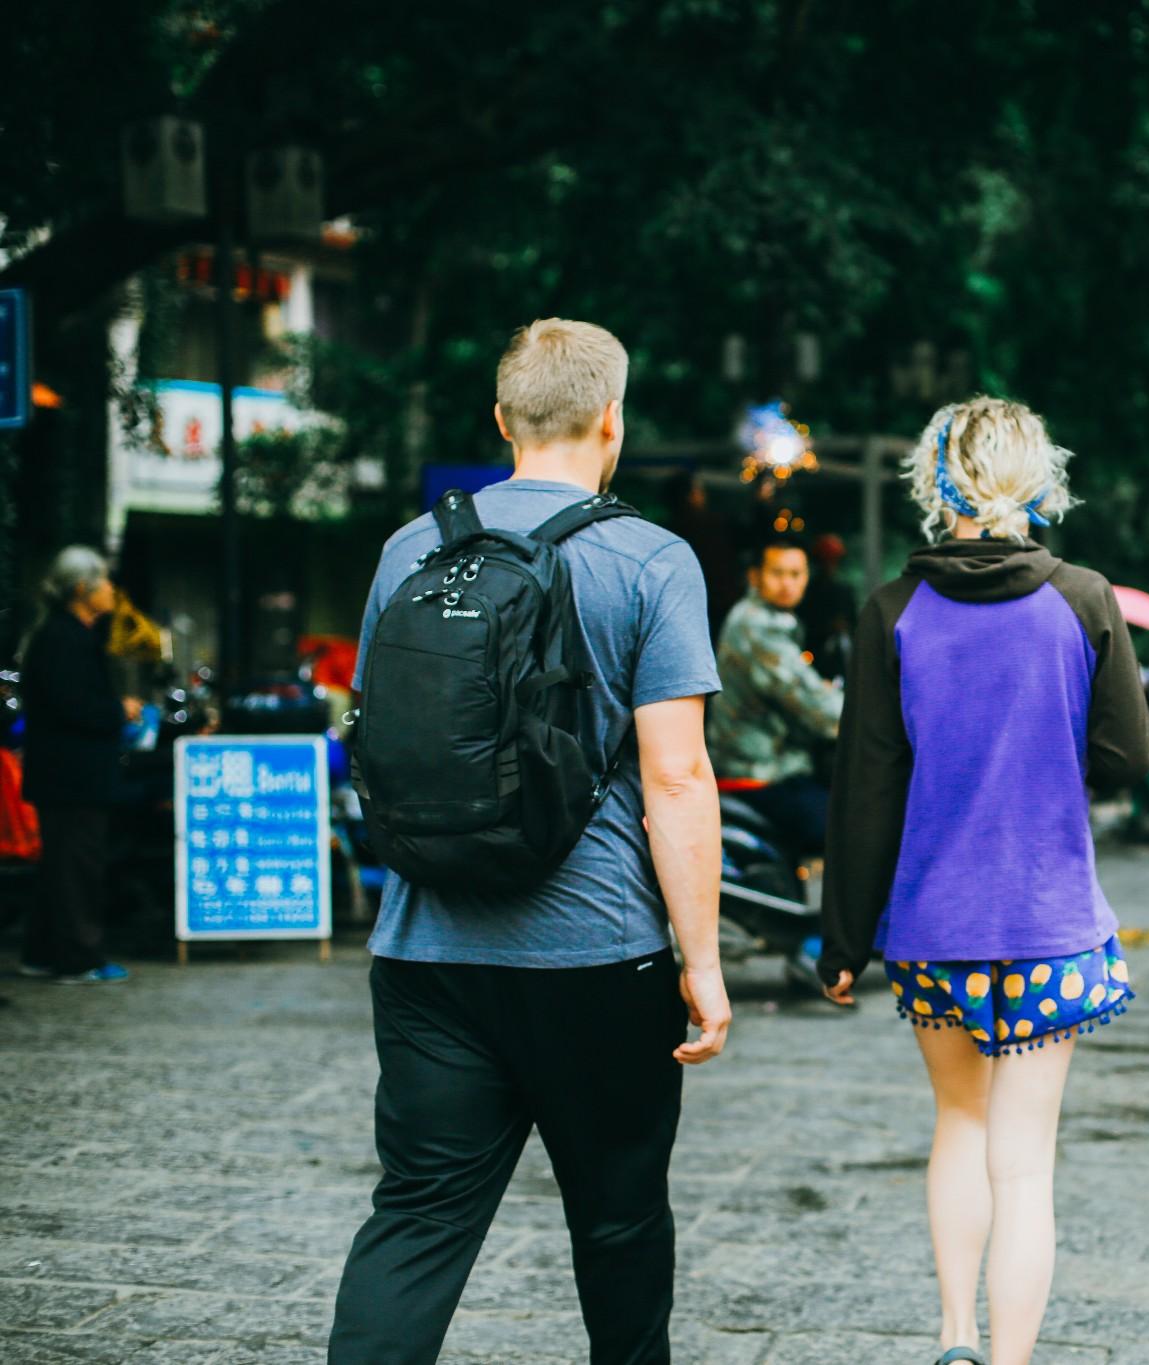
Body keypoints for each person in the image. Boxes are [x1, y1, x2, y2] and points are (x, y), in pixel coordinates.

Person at [329, 320, 728, 1365]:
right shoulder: (649, 558)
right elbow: (676, 776)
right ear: (613, 419)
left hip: (425, 952)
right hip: (597, 954)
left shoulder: (410, 549)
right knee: (619, 1220)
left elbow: (379, 733)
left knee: (414, 1221)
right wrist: (703, 961)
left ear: (501, 421)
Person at [818, 396, 1149, 1365]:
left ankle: (955, 1336)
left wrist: (841, 941)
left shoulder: (891, 612)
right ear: (1035, 478)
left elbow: (864, 791)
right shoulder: (1084, 599)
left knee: (957, 1126)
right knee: (1025, 1162)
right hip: (1051, 925)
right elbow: (1128, 756)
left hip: (934, 928)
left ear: (937, 480)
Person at [17, 546, 138, 984]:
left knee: (60, 867)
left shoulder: (65, 634)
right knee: (77, 868)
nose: (111, 590)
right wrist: (118, 709)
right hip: (71, 774)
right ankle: (77, 957)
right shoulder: (62, 638)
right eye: (104, 581)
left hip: (67, 772)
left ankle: (42, 952)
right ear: (82, 589)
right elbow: (73, 707)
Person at [705, 537, 844, 856]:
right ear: (754, 577)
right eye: (777, 573)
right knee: (851, 827)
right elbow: (817, 708)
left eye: (796, 574)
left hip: (770, 766)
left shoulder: (769, 620)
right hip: (756, 771)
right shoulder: (757, 625)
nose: (787, 583)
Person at [797, 531, 860, 682]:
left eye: (832, 561)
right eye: (826, 561)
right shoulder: (808, 591)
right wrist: (828, 627)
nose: (829, 565)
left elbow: (853, 622)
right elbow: (804, 624)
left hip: (841, 651)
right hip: (814, 654)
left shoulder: (844, 589)